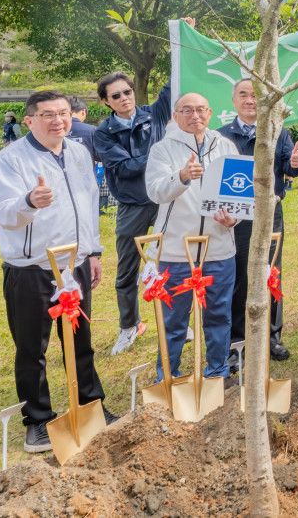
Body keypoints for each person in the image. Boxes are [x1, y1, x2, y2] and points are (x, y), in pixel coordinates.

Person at [0, 90, 114, 453]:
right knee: (32, 348)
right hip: (32, 268)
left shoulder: (78, 152)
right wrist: (30, 201)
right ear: (29, 120)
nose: (57, 120)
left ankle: (91, 406)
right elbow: (4, 212)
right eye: (47, 115)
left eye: (63, 113)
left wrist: (92, 252)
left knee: (80, 341)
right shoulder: (11, 159)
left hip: (73, 265)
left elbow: (89, 204)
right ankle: (39, 421)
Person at [145, 93, 240, 382]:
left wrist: (233, 217)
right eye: (186, 110)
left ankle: (217, 373)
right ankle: (168, 377)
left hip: (218, 247)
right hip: (175, 251)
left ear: (210, 113)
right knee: (173, 320)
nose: (194, 115)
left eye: (200, 109)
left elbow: (237, 193)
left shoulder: (226, 146)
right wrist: (182, 176)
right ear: (175, 116)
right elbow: (156, 191)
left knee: (219, 316)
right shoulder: (163, 149)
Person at [216, 79, 298, 368]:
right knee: (239, 277)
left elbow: (290, 167)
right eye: (244, 95)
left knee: (270, 275)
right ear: (234, 101)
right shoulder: (220, 137)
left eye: (256, 95)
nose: (250, 100)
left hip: (270, 215)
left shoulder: (278, 132)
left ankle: (272, 337)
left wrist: (295, 162)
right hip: (235, 219)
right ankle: (238, 341)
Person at [93, 72, 172, 355]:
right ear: (106, 101)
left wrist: (181, 39)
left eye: (127, 92)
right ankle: (129, 326)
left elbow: (172, 85)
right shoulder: (103, 133)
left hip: (166, 199)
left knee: (172, 264)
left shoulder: (155, 114)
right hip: (133, 204)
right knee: (127, 269)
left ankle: (174, 322)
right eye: (116, 95)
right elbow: (124, 168)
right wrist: (162, 153)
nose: (125, 98)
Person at [66, 96, 98, 163]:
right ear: (83, 111)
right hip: (86, 171)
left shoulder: (55, 129)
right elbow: (100, 155)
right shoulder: (91, 130)